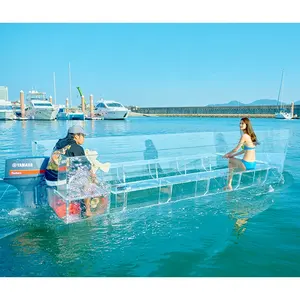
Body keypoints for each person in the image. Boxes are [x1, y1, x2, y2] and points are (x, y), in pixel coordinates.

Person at [45, 125, 95, 217]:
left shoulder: (59, 143)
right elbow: (87, 166)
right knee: (87, 182)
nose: (84, 139)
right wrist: (93, 177)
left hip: (49, 178)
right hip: (61, 181)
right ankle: (88, 211)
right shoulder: (77, 148)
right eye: (83, 136)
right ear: (76, 136)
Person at [223, 117, 257, 191]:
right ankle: (231, 179)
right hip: (253, 164)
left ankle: (229, 184)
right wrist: (232, 155)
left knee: (230, 161)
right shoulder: (252, 136)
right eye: (240, 123)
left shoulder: (244, 136)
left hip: (246, 165)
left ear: (247, 125)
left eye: (242, 123)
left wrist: (227, 155)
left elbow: (236, 149)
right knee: (232, 160)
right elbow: (245, 150)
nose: (240, 125)